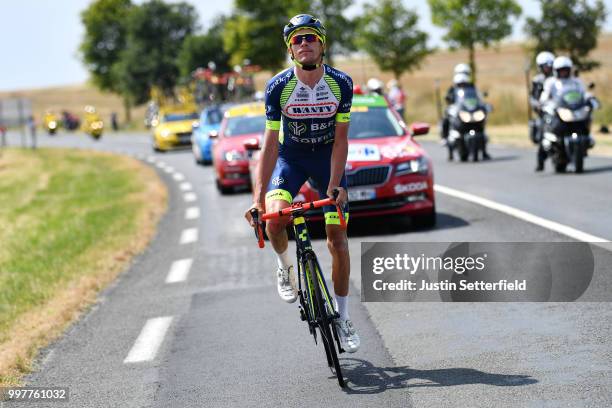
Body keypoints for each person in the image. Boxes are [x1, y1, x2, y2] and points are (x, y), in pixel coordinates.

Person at [244, 14, 359, 353]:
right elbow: (268, 146)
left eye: (310, 37)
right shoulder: (278, 87)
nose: (304, 43)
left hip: (327, 161)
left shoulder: (341, 83)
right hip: (290, 159)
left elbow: (341, 141)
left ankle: (343, 317)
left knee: (338, 241)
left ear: (322, 44)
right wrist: (257, 199)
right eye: (297, 40)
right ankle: (284, 268)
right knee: (276, 218)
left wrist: (336, 185)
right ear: (290, 49)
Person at [442, 64, 491, 160]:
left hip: (471, 111)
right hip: (459, 112)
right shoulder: (453, 88)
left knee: (481, 125)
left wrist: (482, 105)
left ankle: (484, 151)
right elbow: (448, 99)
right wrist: (450, 104)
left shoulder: (472, 87)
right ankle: (445, 139)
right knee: (446, 120)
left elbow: (478, 97)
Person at [530, 51, 555, 171]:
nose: (548, 68)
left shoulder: (558, 78)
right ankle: (540, 162)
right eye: (546, 66)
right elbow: (533, 98)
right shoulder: (537, 80)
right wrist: (537, 105)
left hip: (558, 110)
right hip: (544, 112)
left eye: (550, 65)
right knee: (541, 131)